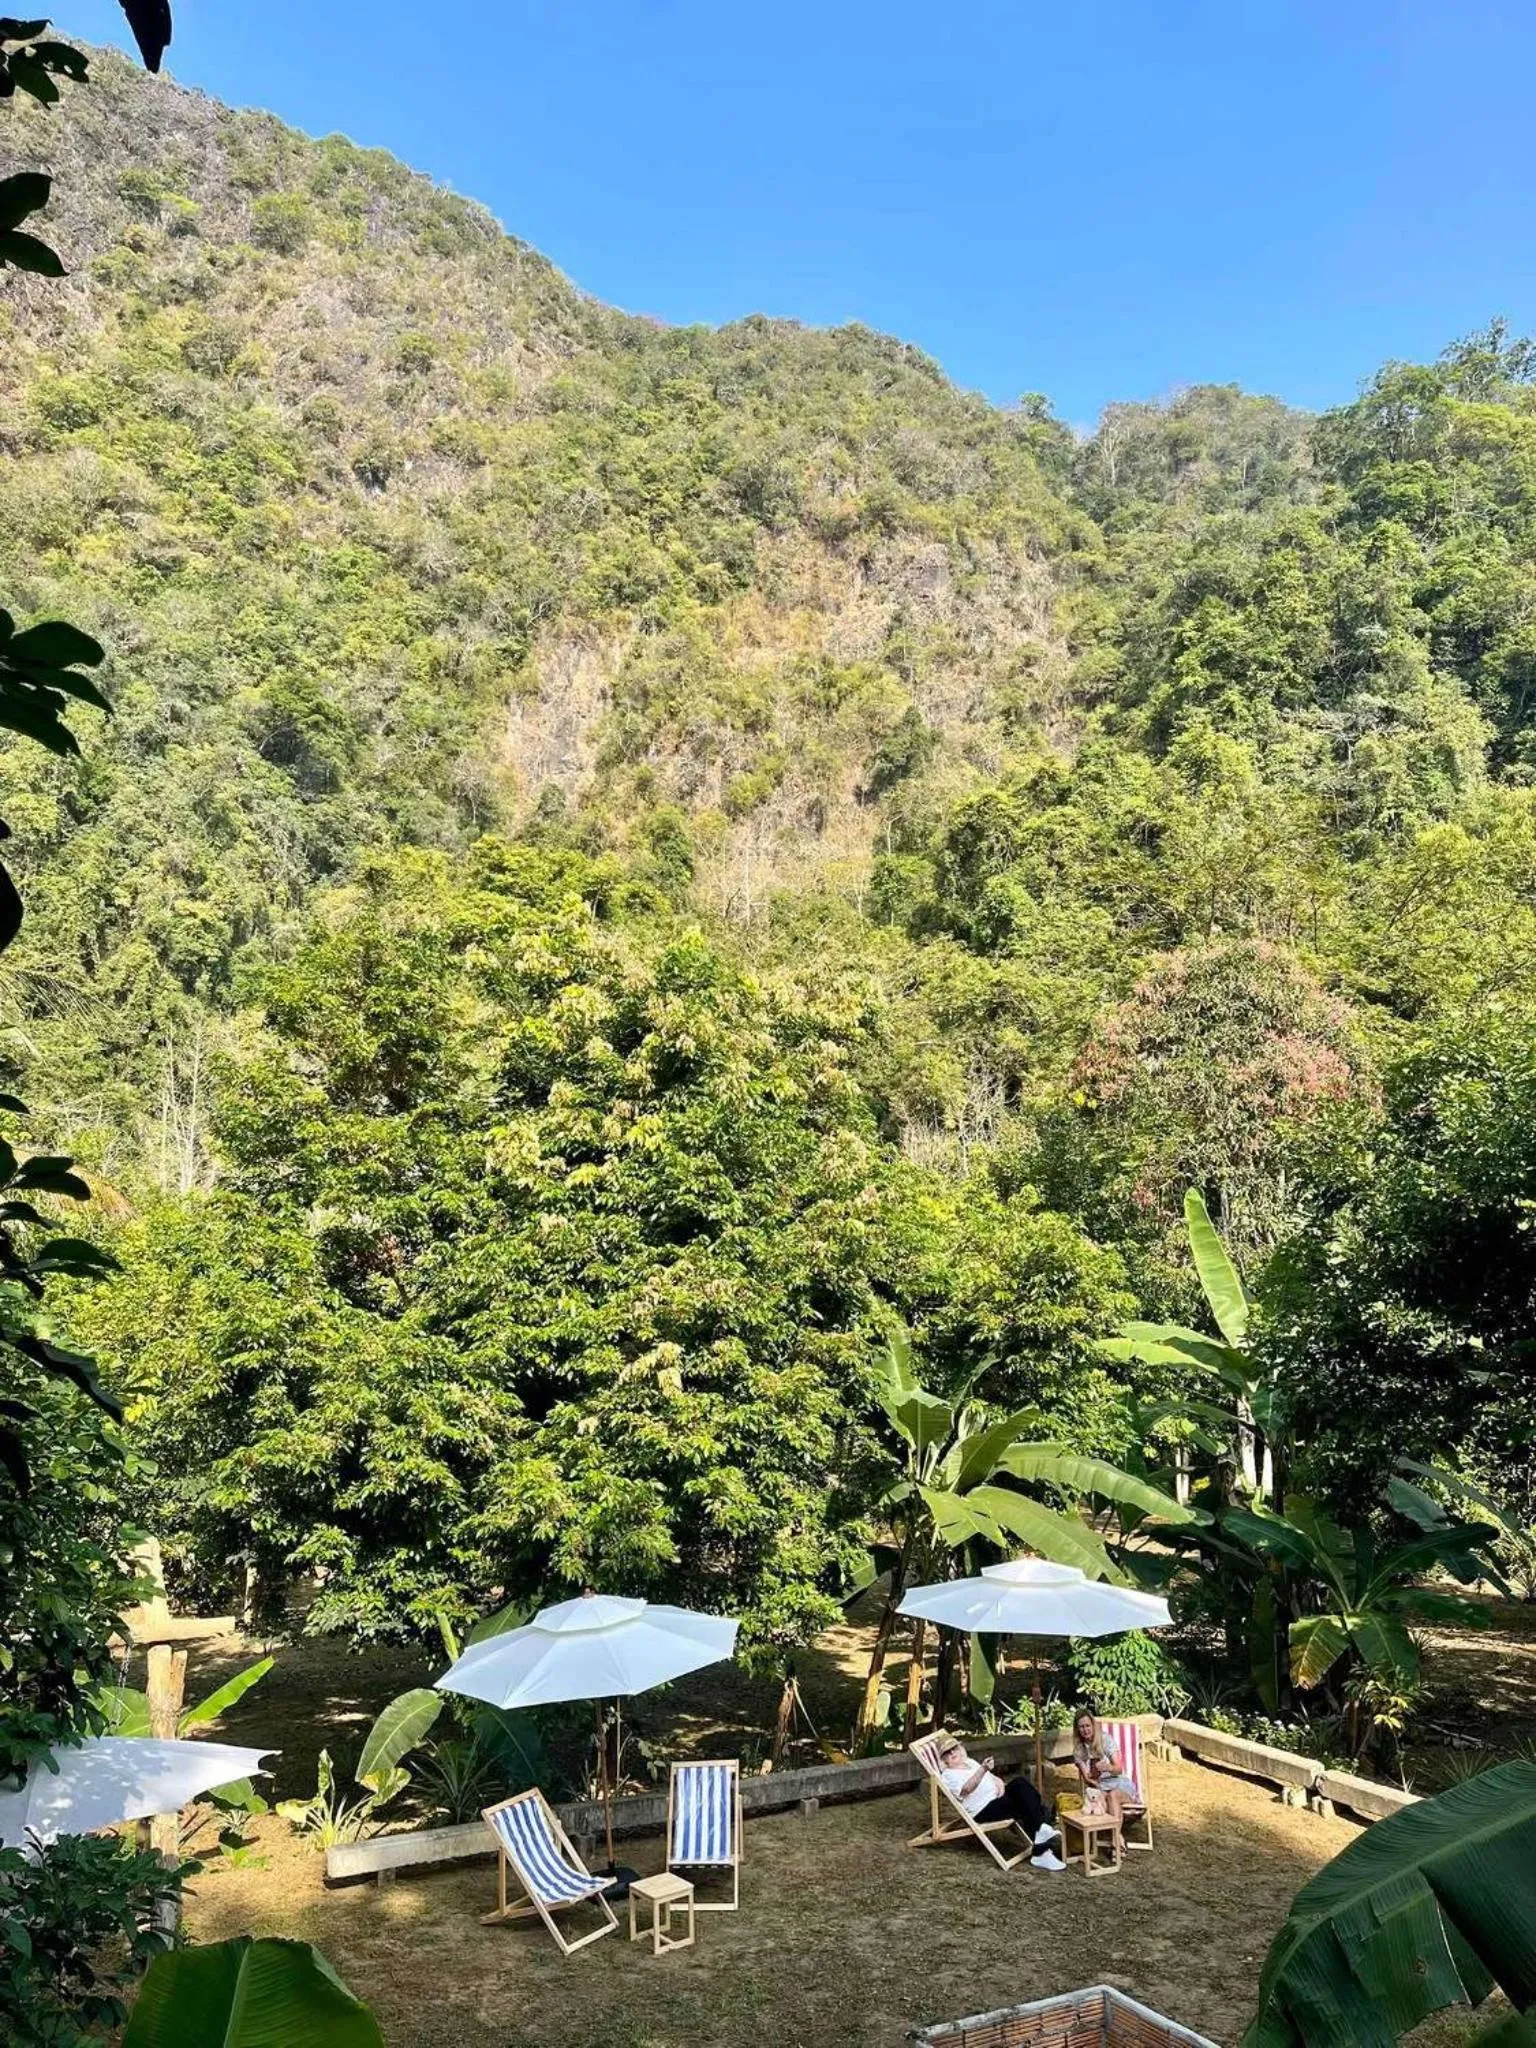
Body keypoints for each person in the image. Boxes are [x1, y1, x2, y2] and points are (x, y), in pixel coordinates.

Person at [935, 1734, 1065, 1870]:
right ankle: (1042, 1840)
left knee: (1020, 1784)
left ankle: (1041, 1835)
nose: (952, 1753)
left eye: (954, 1748)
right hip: (983, 1809)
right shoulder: (948, 1775)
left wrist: (1000, 1784)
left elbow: (994, 1778)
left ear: (959, 1748)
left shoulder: (970, 1762)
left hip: (997, 1798)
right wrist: (983, 1769)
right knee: (1025, 1802)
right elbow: (966, 1789)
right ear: (944, 1759)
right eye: (947, 1753)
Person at [1072, 1711, 1140, 1832]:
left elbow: (1119, 1769)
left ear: (1093, 1725)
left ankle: (1116, 1841)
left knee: (1112, 1795)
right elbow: (1087, 1779)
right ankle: (1118, 1842)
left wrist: (1108, 1767)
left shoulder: (1105, 1739)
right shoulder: (1079, 1750)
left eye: (1087, 1725)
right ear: (1077, 1729)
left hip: (1120, 1784)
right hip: (1101, 1786)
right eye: (1081, 1727)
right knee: (1098, 1799)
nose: (1085, 1729)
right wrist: (1092, 1777)